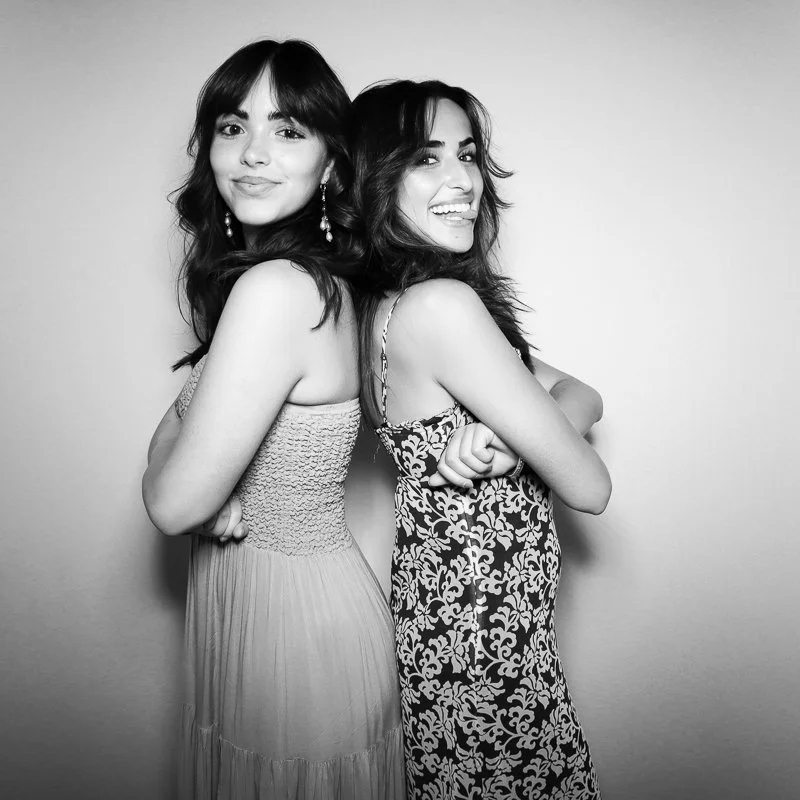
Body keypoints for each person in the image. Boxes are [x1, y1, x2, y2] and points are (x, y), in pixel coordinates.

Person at [142, 41, 405, 799]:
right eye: (233, 126)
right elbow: (184, 457)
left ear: (330, 163)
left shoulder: (279, 291)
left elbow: (170, 502)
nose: (253, 152)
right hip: (274, 615)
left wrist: (198, 475)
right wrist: (203, 469)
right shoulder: (316, 283)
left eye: (289, 130)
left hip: (295, 640)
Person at [351, 79, 612, 799]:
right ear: (374, 181)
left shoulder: (387, 306)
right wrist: (532, 429)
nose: (463, 179)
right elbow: (590, 486)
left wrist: (506, 427)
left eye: (466, 154)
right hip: (484, 636)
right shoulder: (444, 307)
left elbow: (583, 393)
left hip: (451, 621)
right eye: (425, 159)